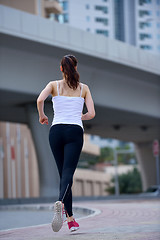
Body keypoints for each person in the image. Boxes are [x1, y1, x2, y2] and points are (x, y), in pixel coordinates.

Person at [37, 54, 95, 232]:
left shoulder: (53, 85)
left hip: (56, 131)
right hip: (74, 131)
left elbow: (40, 100)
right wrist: (81, 116)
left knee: (63, 175)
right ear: (76, 68)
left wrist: (42, 115)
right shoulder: (83, 88)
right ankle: (61, 203)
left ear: (61, 69)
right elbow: (91, 113)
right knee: (68, 173)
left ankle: (70, 219)